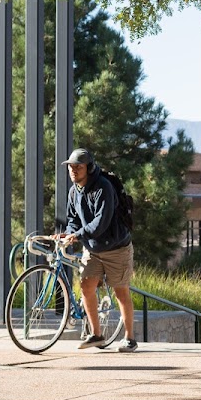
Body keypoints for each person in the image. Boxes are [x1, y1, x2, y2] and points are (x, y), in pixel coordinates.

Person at [59, 148, 138, 352]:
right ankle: (96, 334)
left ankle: (130, 338)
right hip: (92, 248)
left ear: (90, 168)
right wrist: (68, 233)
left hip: (116, 248)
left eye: (78, 167)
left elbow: (100, 223)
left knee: (121, 291)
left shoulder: (103, 187)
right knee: (86, 286)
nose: (74, 171)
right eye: (71, 167)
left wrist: (77, 235)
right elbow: (72, 220)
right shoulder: (74, 191)